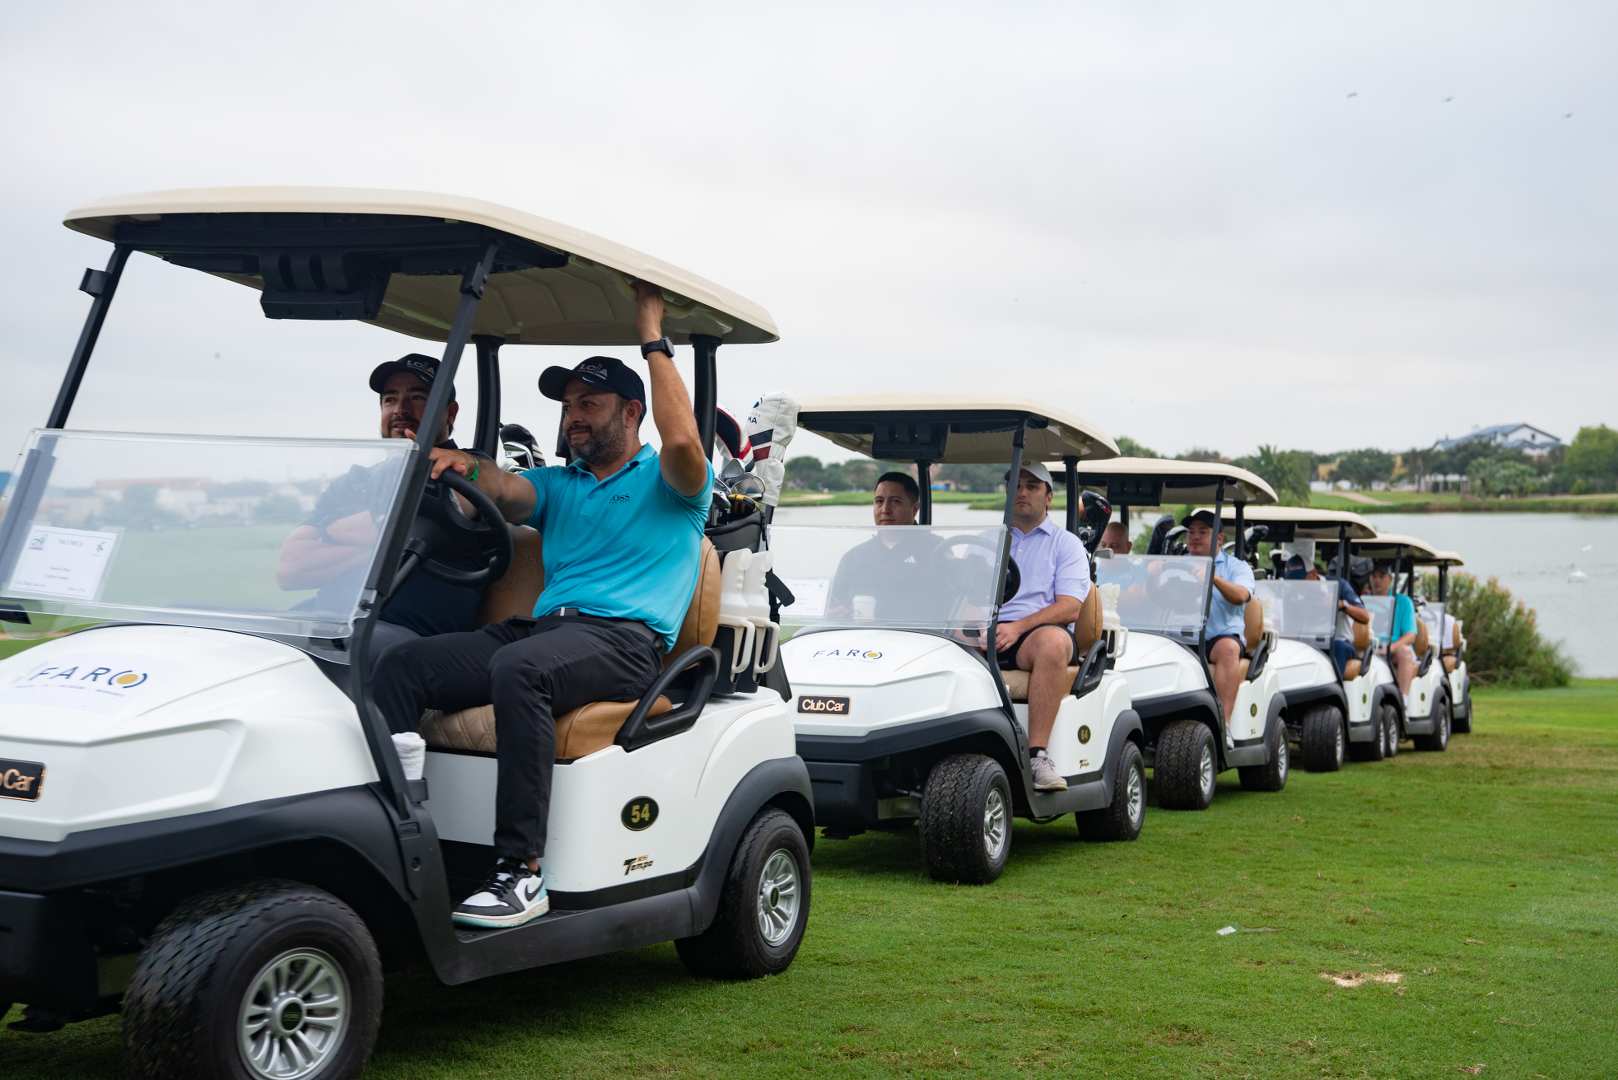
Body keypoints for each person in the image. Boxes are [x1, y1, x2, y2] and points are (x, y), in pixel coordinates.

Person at [373, 283, 711, 929]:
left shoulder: (674, 484)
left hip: (626, 643)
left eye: (589, 404)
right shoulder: (560, 485)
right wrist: (464, 466)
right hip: (545, 631)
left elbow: (684, 445)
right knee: (403, 666)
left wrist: (652, 337)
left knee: (520, 670)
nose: (573, 416)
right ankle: (402, 830)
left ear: (632, 412)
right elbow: (504, 488)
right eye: (567, 405)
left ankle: (520, 871)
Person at [277, 354, 491, 656]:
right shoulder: (356, 480)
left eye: (418, 398)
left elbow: (408, 520)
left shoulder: (469, 470)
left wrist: (332, 535)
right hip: (335, 618)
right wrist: (384, 543)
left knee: (336, 651)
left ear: (450, 413)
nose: (401, 410)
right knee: (242, 642)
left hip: (411, 635)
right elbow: (291, 569)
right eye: (390, 399)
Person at [996, 462, 1091, 793]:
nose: (1021, 492)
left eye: (1032, 486)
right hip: (986, 631)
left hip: (1033, 635)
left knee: (1053, 643)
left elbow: (1070, 606)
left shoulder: (1066, 544)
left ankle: (1037, 755)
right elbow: (963, 593)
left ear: (1048, 497)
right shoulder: (990, 540)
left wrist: (1017, 627)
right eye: (1015, 485)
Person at [824, 472, 936, 620]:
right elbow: (835, 605)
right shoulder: (854, 557)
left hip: (919, 632)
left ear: (914, 509)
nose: (885, 510)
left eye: (895, 502)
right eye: (879, 501)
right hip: (864, 632)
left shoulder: (936, 550)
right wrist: (835, 614)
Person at [1181, 509, 1254, 728]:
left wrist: (1212, 577)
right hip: (1181, 635)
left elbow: (1241, 595)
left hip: (1218, 637)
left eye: (1202, 532)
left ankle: (1224, 725)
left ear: (1219, 539)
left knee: (1228, 650)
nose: (1195, 537)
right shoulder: (1177, 563)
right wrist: (1154, 571)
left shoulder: (1236, 567)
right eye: (1191, 532)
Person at [1280, 541, 1370, 677]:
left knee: (1338, 648)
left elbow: (1364, 616)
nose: (1298, 585)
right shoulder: (1293, 595)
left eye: (1301, 579)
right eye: (1293, 581)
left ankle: (1335, 688)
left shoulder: (1338, 585)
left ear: (1313, 574)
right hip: (1307, 642)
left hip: (1338, 641)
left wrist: (1341, 605)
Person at [1367, 561, 1419, 696]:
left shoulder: (1403, 602)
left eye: (1381, 576)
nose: (1377, 580)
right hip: (1370, 646)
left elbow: (1410, 635)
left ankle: (1403, 700)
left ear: (1390, 579)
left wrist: (1391, 648)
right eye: (1374, 576)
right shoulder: (1364, 601)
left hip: (1393, 649)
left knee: (1405, 653)